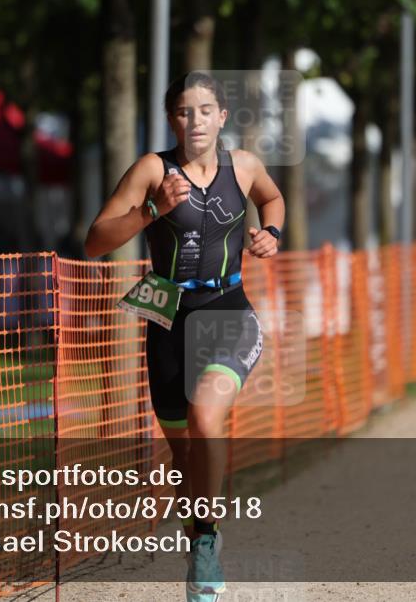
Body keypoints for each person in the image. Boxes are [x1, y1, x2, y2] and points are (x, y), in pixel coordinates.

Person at [85, 72, 285, 600]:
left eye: (204, 110)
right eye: (182, 111)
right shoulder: (153, 169)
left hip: (228, 309)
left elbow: (273, 198)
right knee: (182, 451)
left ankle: (207, 542)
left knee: (204, 416)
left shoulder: (243, 166)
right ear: (171, 119)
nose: (193, 120)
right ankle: (198, 531)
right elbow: (94, 242)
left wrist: (272, 234)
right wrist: (152, 211)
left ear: (222, 117)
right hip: (168, 314)